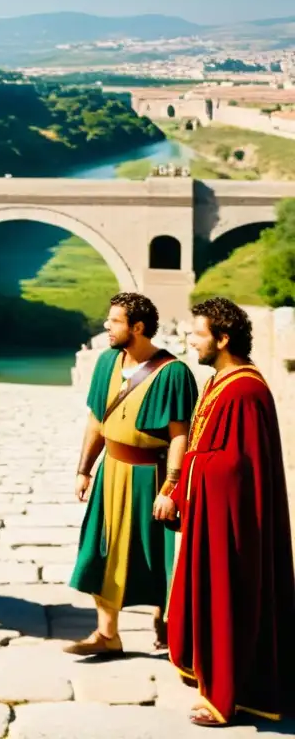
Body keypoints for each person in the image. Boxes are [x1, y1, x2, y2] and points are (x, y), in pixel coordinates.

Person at [165, 298, 295, 728]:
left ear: (222, 339)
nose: (190, 341)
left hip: (233, 526)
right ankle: (207, 675)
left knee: (230, 598)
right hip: (211, 516)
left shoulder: (245, 391)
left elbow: (239, 468)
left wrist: (192, 471)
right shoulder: (220, 381)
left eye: (197, 334)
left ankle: (230, 696)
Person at [64, 292, 198, 656]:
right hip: (111, 471)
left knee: (158, 554)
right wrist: (84, 470)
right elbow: (96, 420)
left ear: (137, 327)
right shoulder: (107, 363)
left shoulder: (174, 373)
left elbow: (179, 435)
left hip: (150, 478)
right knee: (101, 550)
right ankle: (107, 634)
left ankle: (167, 621)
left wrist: (170, 488)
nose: (106, 326)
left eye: (115, 321)